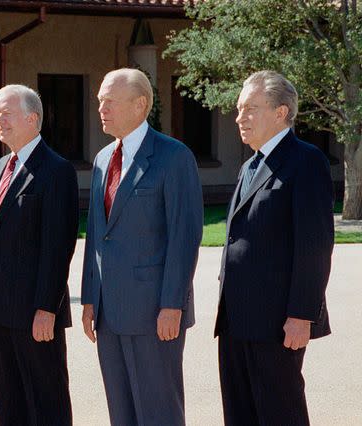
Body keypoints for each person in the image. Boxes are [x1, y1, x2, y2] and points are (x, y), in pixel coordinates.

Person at [80, 68, 203, 426]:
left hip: (154, 313)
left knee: (158, 412)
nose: (101, 107)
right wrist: (90, 298)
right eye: (100, 100)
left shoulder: (173, 157)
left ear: (140, 104)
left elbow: (184, 238)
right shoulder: (104, 159)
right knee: (122, 412)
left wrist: (172, 305)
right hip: (108, 313)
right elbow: (96, 235)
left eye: (109, 101)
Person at [215, 70, 334, 426]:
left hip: (277, 321)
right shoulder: (250, 165)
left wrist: (302, 315)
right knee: (240, 412)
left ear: (281, 112)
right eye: (238, 110)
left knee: (280, 413)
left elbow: (314, 246)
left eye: (250, 108)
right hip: (236, 318)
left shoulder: (305, 161)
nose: (239, 118)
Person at [0, 84, 78, 426]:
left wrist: (47, 307)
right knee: (9, 404)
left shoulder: (56, 170)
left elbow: (58, 247)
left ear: (33, 119)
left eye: (6, 113)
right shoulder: (2, 165)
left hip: (36, 314)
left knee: (46, 402)